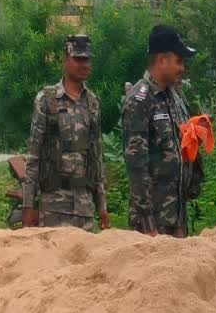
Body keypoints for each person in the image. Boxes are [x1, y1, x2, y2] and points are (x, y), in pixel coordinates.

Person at [122, 25, 204, 237]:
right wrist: (147, 220)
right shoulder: (140, 100)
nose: (182, 68)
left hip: (177, 216)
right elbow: (136, 166)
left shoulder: (175, 97)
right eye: (179, 61)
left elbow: (182, 146)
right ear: (161, 60)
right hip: (153, 223)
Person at [22, 35, 110, 231]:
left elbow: (96, 157)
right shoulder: (47, 99)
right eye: (78, 59)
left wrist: (102, 205)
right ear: (65, 59)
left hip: (84, 206)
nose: (84, 64)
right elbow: (34, 156)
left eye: (87, 59)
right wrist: (28, 205)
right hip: (54, 206)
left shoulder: (92, 103)